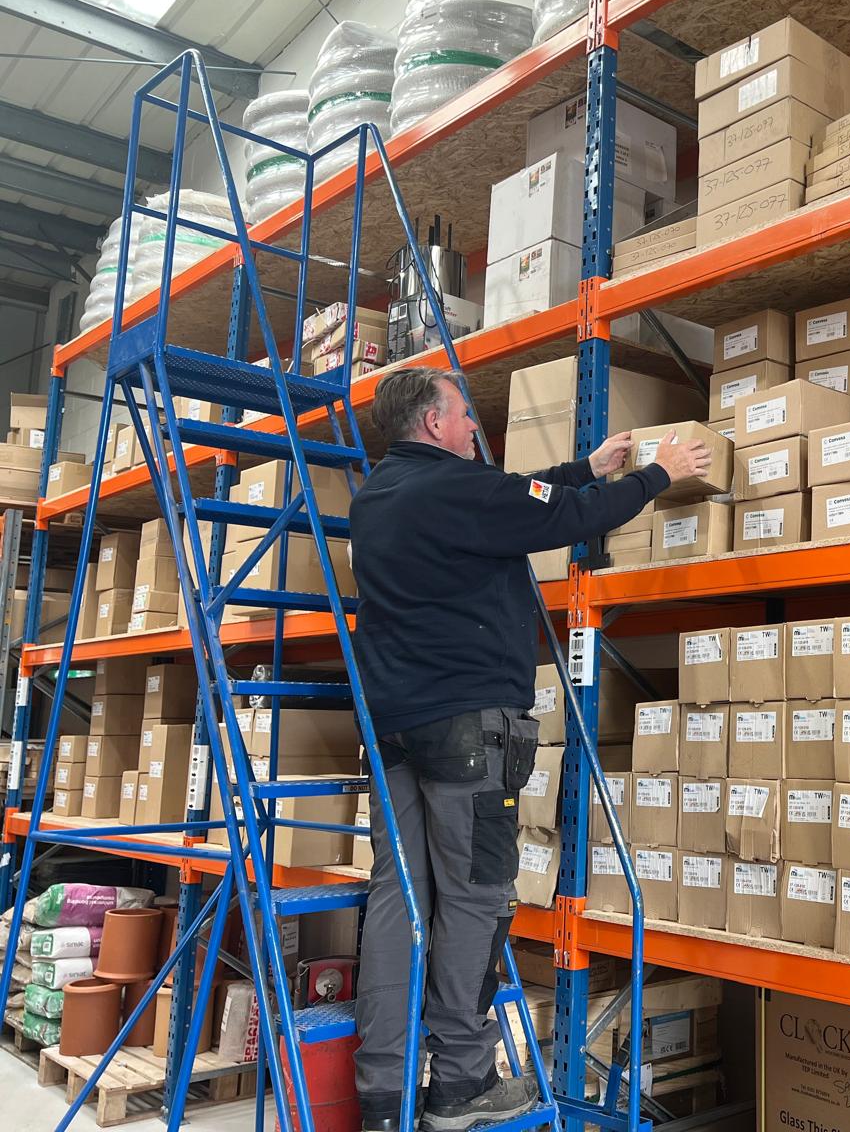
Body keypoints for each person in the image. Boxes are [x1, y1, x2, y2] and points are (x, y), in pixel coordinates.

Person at [348, 366, 709, 1132]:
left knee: (397, 899)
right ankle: (460, 1087)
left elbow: (515, 501)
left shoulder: (379, 496)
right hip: (468, 733)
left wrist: (584, 468)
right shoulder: (457, 491)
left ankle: (381, 1094)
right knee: (474, 900)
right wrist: (655, 475)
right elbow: (556, 519)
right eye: (467, 416)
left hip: (391, 731)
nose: (476, 428)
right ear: (436, 422)